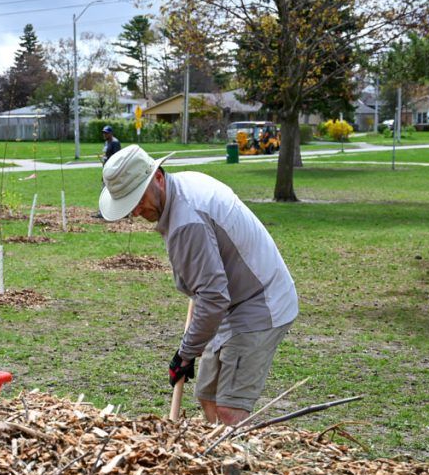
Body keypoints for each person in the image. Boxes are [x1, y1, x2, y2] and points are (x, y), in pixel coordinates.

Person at [98, 145, 298, 425]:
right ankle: (220, 458)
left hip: (259, 303)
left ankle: (237, 463)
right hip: (230, 301)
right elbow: (208, 284)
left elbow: (213, 297)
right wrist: (190, 349)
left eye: (138, 199)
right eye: (130, 205)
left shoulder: (186, 222)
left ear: (157, 177)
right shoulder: (181, 187)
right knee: (208, 396)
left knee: (229, 410)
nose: (136, 211)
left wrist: (185, 353)